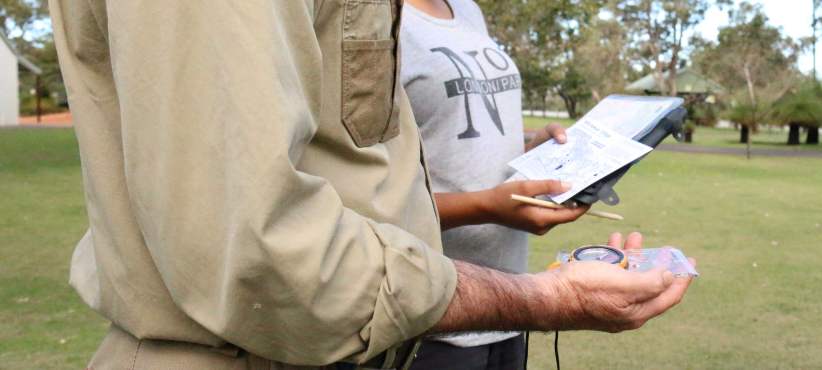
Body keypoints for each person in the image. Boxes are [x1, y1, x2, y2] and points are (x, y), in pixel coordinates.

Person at [50, 1, 696, 369]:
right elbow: (265, 249)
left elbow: (363, 150)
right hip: (319, 339)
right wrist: (547, 299)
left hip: (409, 329)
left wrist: (531, 151)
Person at [399, 0, 587, 368]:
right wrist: (487, 206)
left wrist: (531, 148)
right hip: (428, 321)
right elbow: (363, 204)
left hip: (509, 305)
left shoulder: (466, 10)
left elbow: (458, 139)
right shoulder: (367, 17)